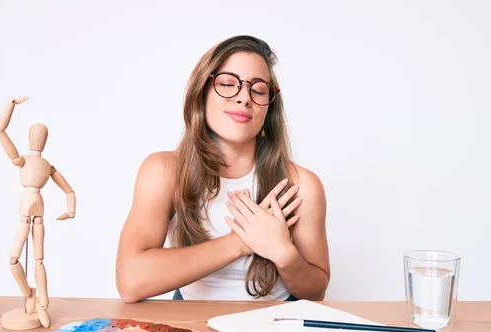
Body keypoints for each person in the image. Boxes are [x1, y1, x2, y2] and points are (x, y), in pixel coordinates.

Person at [115, 35, 330, 303]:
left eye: (259, 89)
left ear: (269, 106)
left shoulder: (302, 184)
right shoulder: (163, 170)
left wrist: (284, 253)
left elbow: (315, 291)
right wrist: (242, 241)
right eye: (228, 84)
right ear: (201, 93)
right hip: (190, 325)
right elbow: (131, 282)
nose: (244, 98)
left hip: (275, 324)